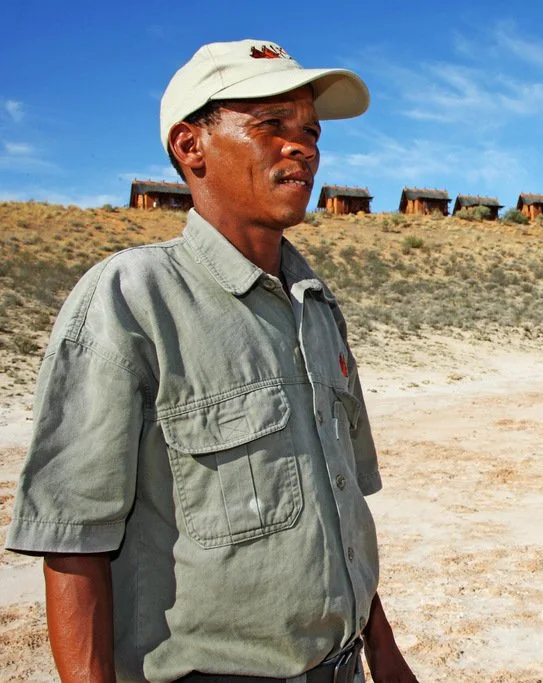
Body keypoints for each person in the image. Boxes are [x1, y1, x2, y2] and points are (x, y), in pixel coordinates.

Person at [5, 39, 418, 683]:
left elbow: (343, 520)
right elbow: (72, 542)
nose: (303, 146)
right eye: (270, 125)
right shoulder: (131, 300)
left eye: (309, 130)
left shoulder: (316, 305)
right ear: (190, 145)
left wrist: (386, 661)